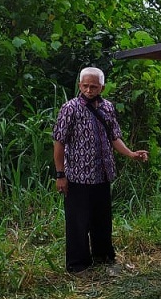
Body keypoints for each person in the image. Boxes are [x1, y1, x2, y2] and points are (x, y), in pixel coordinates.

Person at [52, 67, 148, 274]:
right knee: (78, 223)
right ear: (79, 85)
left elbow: (114, 137)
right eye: (85, 86)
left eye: (93, 86)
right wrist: (60, 174)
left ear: (102, 87)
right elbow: (59, 142)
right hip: (77, 176)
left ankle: (104, 257)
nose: (89, 90)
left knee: (102, 220)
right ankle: (78, 265)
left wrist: (131, 154)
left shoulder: (107, 107)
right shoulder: (70, 108)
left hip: (102, 174)